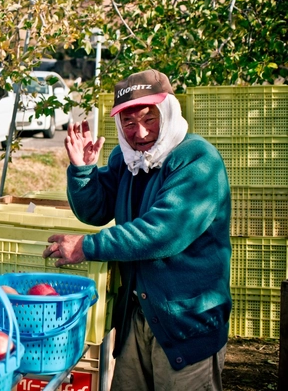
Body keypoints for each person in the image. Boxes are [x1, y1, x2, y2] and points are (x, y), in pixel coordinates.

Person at [43, 69, 231, 391]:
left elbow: (163, 231)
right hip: (137, 316)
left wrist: (87, 247)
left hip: (187, 322)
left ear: (168, 112)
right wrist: (83, 170)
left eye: (149, 119)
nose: (140, 132)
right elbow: (96, 211)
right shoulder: (128, 159)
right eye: (128, 123)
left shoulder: (198, 160)